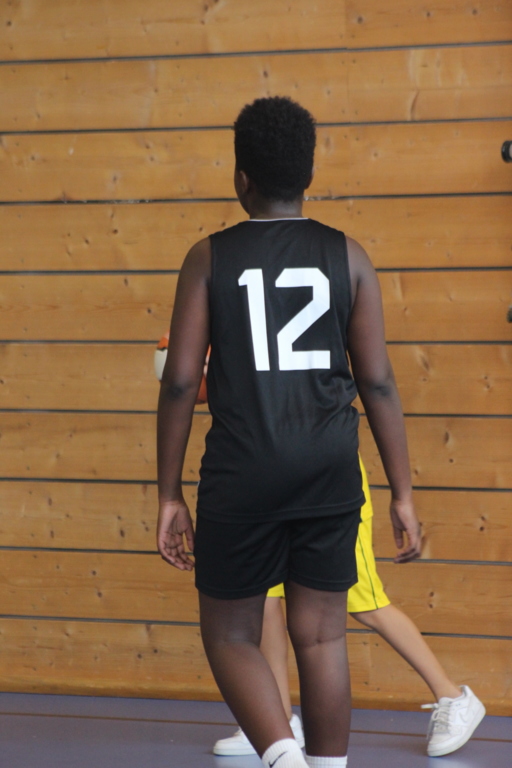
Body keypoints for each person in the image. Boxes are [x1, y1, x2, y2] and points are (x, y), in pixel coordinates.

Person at [156, 95, 422, 768]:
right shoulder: (348, 256)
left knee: (230, 634)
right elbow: (379, 383)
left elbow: (181, 381)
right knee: (322, 637)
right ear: (308, 174)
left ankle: (282, 758)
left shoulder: (208, 258)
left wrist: (168, 493)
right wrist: (402, 493)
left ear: (240, 177)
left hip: (243, 468)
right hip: (328, 466)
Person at [213, 458, 486, 759]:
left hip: (331, 487)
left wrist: (402, 496)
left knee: (366, 604)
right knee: (265, 600)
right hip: (272, 486)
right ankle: (282, 721)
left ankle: (452, 696)